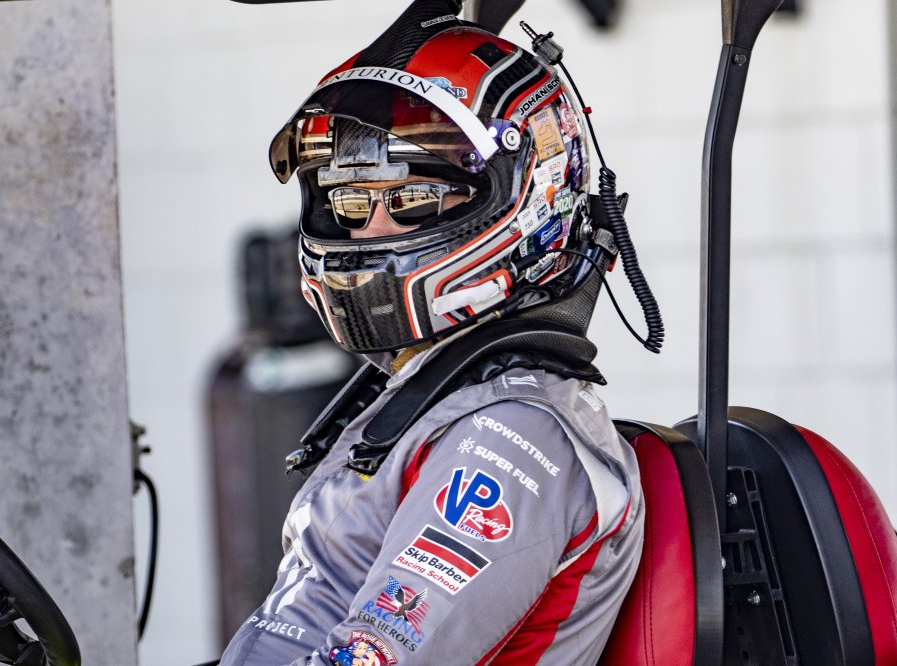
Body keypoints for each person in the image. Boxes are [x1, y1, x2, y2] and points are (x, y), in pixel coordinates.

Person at [220, 1, 646, 663]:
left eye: (412, 200)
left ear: (524, 201)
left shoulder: (509, 437)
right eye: (352, 204)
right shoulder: (434, 396)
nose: (371, 232)